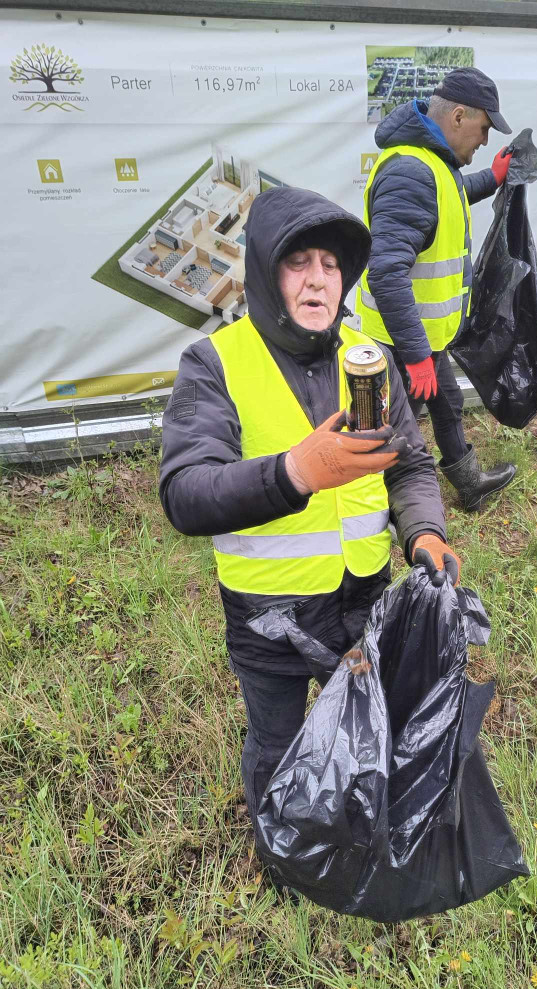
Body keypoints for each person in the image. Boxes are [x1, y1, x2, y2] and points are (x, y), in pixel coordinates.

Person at [159, 185, 460, 839]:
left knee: (361, 729)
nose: (319, 279)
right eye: (298, 263)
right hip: (269, 618)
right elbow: (185, 492)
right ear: (266, 273)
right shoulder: (216, 363)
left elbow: (409, 464)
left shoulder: (368, 358)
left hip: (362, 602)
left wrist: (425, 533)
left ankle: (350, 834)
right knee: (277, 744)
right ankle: (283, 850)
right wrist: (295, 472)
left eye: (331, 264)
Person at [356, 67, 518, 512]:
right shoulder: (410, 171)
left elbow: (451, 192)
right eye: (484, 128)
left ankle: (470, 484)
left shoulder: (433, 163)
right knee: (390, 433)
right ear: (459, 116)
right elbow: (386, 272)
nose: (484, 140)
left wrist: (494, 177)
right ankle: (378, 512)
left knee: (447, 404)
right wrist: (414, 356)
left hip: (421, 337)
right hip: (397, 342)